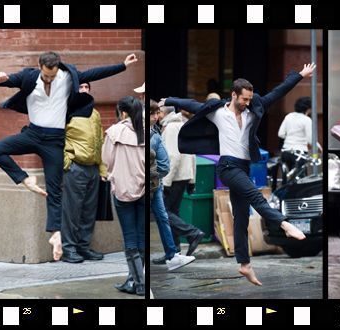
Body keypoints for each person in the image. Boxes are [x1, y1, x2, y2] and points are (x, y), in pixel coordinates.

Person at [161, 63, 316, 286]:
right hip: (227, 167)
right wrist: (170, 101)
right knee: (256, 196)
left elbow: (278, 91)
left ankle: (244, 265)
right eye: (243, 99)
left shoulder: (254, 106)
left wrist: (300, 75)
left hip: (243, 167)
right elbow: (193, 105)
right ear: (234, 95)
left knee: (241, 218)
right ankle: (283, 224)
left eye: (249, 99)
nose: (247, 103)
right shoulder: (217, 111)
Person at [0, 51, 138, 261]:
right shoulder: (30, 76)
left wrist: (122, 66)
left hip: (55, 141)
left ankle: (57, 236)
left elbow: (93, 74)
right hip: (33, 133)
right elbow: (8, 79)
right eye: (46, 75)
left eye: (53, 75)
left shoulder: (69, 77)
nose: (49, 79)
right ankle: (24, 179)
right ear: (40, 66)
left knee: (57, 194)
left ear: (58, 68)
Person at [102, 96, 145, 296]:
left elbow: (106, 160)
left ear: (123, 112)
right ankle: (136, 280)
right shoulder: (147, 132)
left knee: (130, 239)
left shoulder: (114, 132)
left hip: (122, 190)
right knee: (140, 236)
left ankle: (139, 284)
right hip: (144, 189)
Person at [151, 106, 204, 266]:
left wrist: (166, 181)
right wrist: (192, 179)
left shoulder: (172, 127)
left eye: (158, 112)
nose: (157, 116)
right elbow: (192, 154)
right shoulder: (182, 124)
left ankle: (192, 233)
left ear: (164, 113)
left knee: (164, 213)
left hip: (173, 177)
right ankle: (174, 252)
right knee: (172, 212)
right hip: (182, 176)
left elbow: (172, 156)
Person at [60, 82, 106, 263]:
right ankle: (68, 248)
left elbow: (100, 142)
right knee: (72, 210)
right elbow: (57, 138)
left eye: (87, 87)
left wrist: (102, 169)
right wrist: (67, 163)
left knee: (89, 211)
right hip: (75, 167)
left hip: (93, 168)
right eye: (80, 87)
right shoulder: (65, 111)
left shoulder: (94, 114)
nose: (84, 90)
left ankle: (83, 246)